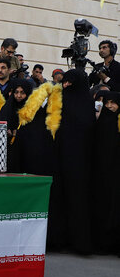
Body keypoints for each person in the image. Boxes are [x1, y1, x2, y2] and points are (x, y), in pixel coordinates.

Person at [47, 69, 95, 254]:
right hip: (59, 159)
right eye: (64, 82)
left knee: (78, 200)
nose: (66, 85)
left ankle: (79, 242)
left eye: (70, 82)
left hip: (80, 163)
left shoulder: (86, 104)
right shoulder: (59, 101)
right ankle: (57, 239)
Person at [90, 90, 120, 254]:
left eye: (113, 103)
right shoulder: (100, 122)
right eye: (106, 102)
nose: (109, 106)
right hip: (100, 174)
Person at [0, 79, 32, 172]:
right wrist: (6, 130)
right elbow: (1, 123)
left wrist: (20, 133)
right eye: (16, 92)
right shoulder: (7, 107)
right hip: (9, 151)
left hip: (25, 150)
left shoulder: (31, 109)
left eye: (22, 92)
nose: (18, 96)